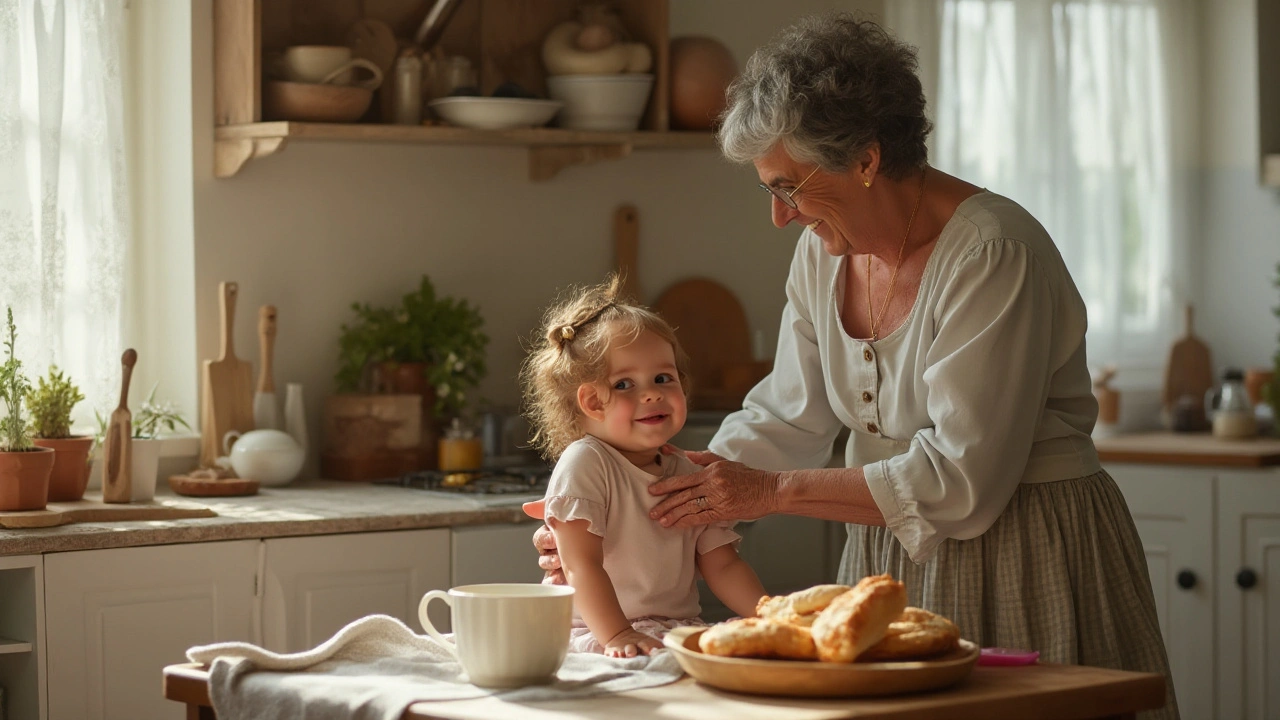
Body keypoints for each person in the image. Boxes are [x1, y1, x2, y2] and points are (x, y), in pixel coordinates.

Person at [531, 12, 1178, 718]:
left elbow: (964, 479)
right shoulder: (822, 252)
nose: (781, 217)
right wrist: (647, 506)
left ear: (866, 159)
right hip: (886, 563)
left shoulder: (994, 254)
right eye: (769, 189)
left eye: (788, 186)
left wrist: (768, 492)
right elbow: (786, 414)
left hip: (1026, 553)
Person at [520, 275, 765, 658]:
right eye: (624, 384)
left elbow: (724, 566)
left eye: (663, 378)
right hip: (595, 632)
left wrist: (771, 615)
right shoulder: (586, 462)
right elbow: (581, 564)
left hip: (671, 631)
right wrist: (617, 634)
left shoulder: (686, 470)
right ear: (591, 402)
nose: (652, 392)